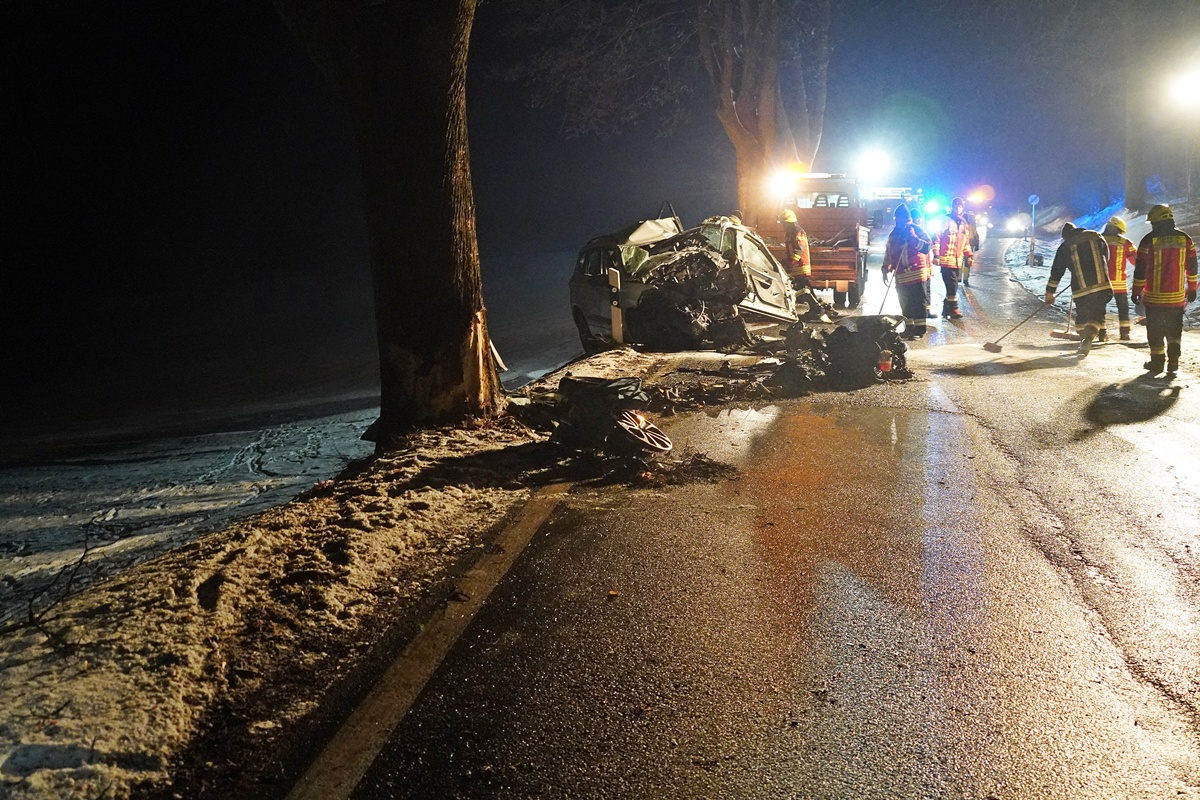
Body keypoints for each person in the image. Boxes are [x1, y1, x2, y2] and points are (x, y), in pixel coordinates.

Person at [1131, 204, 1198, 374]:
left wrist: (1136, 291)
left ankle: (1157, 362)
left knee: (1155, 330)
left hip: (1154, 298)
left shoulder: (1148, 240)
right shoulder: (1185, 239)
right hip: (1176, 298)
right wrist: (1192, 289)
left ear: (1155, 222)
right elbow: (1192, 267)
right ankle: (1174, 361)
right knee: (1175, 330)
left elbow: (1140, 270)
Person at [1045, 222, 1113, 356]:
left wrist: (1050, 292)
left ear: (1065, 236)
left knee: (1082, 318)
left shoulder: (1065, 246)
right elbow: (1107, 256)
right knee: (1097, 316)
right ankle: (1088, 340)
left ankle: (1084, 341)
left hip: (1081, 289)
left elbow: (1057, 271)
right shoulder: (1096, 236)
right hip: (1102, 286)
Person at [881, 203, 933, 339]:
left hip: (916, 273)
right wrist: (885, 268)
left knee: (918, 302)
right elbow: (889, 251)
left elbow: (927, 247)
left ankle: (920, 329)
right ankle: (908, 328)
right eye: (897, 220)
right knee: (905, 303)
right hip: (901, 275)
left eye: (901, 219)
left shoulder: (917, 229)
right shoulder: (894, 233)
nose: (899, 222)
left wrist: (912, 238)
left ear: (907, 219)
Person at [781, 207, 837, 322]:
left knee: (804, 289)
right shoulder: (790, 232)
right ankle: (818, 307)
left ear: (789, 222)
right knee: (806, 289)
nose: (783, 225)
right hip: (796, 266)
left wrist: (792, 263)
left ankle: (817, 309)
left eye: (784, 223)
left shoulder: (797, 231)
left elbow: (799, 249)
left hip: (800, 266)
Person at [933, 196, 974, 319]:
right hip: (946, 259)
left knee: (954, 284)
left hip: (958, 260)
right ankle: (954, 309)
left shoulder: (964, 223)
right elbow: (937, 239)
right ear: (952, 207)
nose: (958, 208)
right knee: (952, 285)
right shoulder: (944, 220)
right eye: (956, 206)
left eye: (960, 206)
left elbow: (965, 242)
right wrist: (936, 255)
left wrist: (969, 255)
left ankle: (946, 309)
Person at [1100, 215, 1137, 341]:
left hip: (1101, 281)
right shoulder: (1125, 242)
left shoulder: (1099, 240)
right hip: (1119, 282)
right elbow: (1136, 260)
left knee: (1100, 308)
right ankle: (1125, 334)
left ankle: (1101, 333)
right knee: (1123, 308)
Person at [962, 209, 981, 286]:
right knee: (967, 263)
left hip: (962, 248)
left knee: (960, 263)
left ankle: (959, 278)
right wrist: (977, 245)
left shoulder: (960, 227)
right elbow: (976, 236)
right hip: (969, 248)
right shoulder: (972, 227)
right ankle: (965, 279)